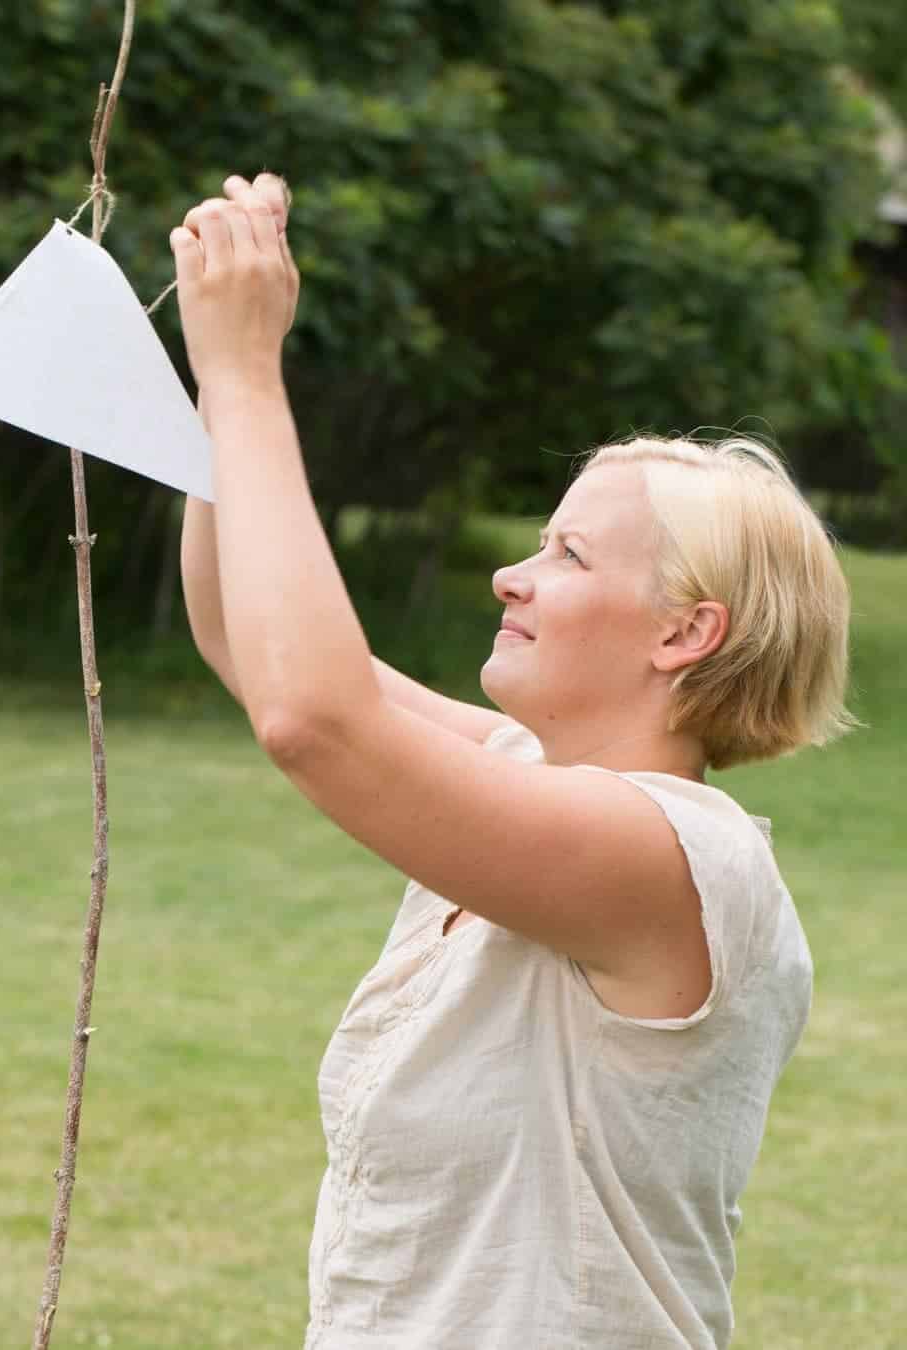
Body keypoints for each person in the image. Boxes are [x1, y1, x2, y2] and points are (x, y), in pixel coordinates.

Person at [169, 172, 854, 1350]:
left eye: (569, 555)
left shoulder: (680, 857)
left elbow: (314, 719)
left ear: (685, 632)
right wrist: (211, 380)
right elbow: (247, 637)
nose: (512, 577)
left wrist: (249, 375)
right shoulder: (521, 769)